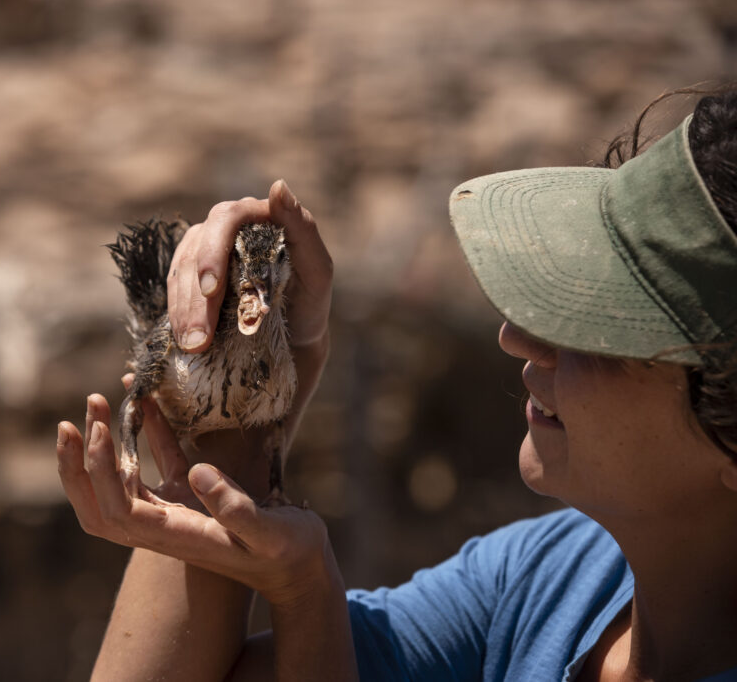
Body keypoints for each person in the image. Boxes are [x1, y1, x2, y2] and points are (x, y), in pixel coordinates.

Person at [56, 88, 737, 681]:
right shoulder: (546, 581)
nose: (521, 338)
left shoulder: (544, 591)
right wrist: (241, 405)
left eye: (604, 330)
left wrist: (307, 590)